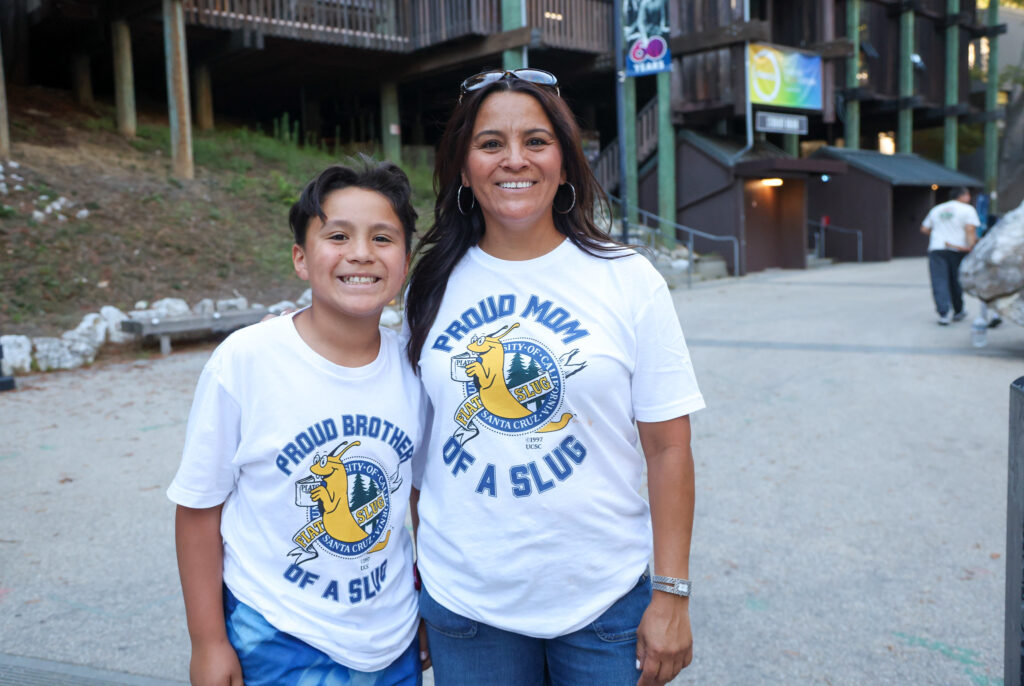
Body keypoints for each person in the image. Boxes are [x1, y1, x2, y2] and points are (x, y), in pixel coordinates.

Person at [405, 69, 705, 686]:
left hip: (602, 603)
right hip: (466, 606)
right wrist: (418, 585)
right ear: (464, 168)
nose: (514, 159)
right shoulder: (428, 286)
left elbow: (669, 448)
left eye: (536, 141)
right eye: (491, 143)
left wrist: (672, 593)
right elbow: (417, 455)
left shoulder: (628, 280)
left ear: (565, 164)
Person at [168, 161, 428, 686]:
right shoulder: (247, 360)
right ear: (301, 259)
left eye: (382, 238)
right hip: (277, 636)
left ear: (404, 263)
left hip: (392, 637)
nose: (361, 252)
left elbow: (420, 498)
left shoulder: (416, 366)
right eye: (338, 236)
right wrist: (208, 642)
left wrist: (428, 607)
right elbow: (198, 508)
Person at [921, 186, 980, 325]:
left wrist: (937, 236)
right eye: (968, 195)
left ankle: (943, 313)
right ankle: (958, 311)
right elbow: (970, 229)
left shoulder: (937, 209)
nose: (969, 198)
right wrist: (972, 246)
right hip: (958, 250)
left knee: (939, 281)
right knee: (956, 281)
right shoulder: (967, 209)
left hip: (936, 249)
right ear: (962, 196)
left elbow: (924, 228)